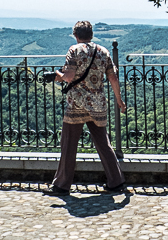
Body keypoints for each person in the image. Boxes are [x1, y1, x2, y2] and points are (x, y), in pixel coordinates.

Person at [47, 20, 128, 195]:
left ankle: (61, 185)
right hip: (97, 104)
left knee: (69, 144)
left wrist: (57, 74)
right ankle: (116, 181)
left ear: (75, 35)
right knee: (103, 143)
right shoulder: (103, 51)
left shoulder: (74, 50)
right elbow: (113, 78)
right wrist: (119, 101)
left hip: (76, 104)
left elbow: (68, 77)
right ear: (91, 34)